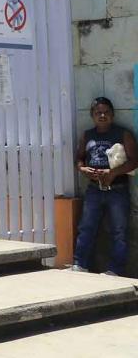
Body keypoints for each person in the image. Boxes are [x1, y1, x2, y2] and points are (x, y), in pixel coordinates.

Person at [70, 97, 137, 276]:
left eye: (106, 112)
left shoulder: (123, 134)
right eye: (98, 112)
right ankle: (79, 265)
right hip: (94, 189)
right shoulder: (87, 135)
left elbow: (134, 161)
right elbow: (79, 158)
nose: (102, 115)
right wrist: (84, 169)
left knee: (119, 232)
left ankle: (115, 271)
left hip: (117, 190)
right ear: (92, 115)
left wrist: (113, 173)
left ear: (112, 115)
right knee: (86, 228)